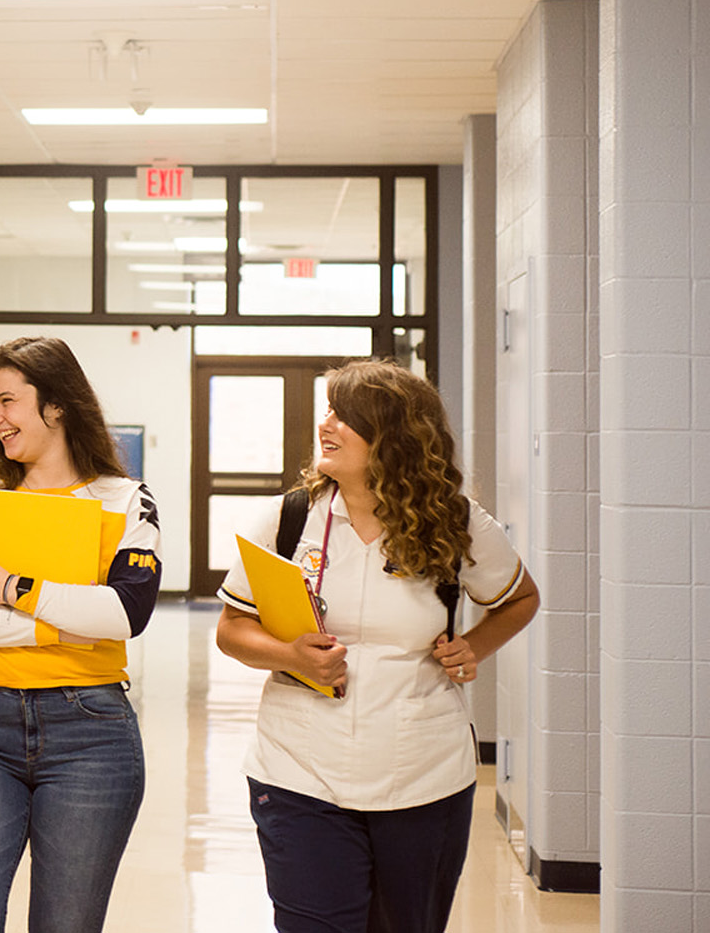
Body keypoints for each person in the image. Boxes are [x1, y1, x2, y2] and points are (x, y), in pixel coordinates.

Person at [215, 359, 538, 933]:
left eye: (347, 417)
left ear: (394, 438)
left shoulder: (453, 523)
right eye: (329, 411)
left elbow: (519, 598)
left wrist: (474, 646)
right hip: (299, 769)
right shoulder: (289, 520)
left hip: (422, 773)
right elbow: (233, 630)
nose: (327, 425)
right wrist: (290, 655)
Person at [0, 335, 162, 933]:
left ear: (56, 404)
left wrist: (13, 589)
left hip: (91, 735)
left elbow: (124, 613)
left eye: (8, 401)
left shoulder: (125, 498)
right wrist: (62, 630)